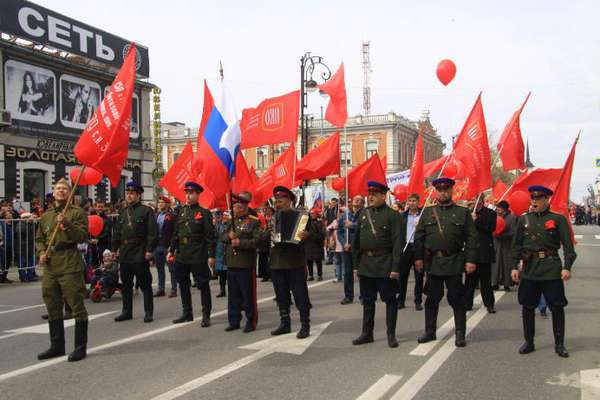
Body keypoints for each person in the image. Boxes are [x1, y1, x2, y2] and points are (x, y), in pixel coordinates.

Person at [511, 185, 576, 358]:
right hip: (530, 269)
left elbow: (569, 247)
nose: (534, 201)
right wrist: (513, 266)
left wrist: (567, 267)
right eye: (532, 197)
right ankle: (529, 342)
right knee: (527, 306)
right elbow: (516, 246)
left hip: (550, 269)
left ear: (547, 199)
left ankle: (559, 344)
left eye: (538, 198)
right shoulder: (524, 219)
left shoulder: (558, 219)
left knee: (557, 307)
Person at [414, 177, 478, 348]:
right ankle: (430, 331)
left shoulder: (462, 212)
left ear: (451, 191)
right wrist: (418, 258)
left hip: (454, 261)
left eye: (446, 189)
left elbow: (472, 238)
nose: (443, 192)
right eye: (440, 190)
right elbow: (419, 237)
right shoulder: (428, 212)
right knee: (432, 299)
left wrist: (471, 260)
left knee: (457, 298)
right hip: (434, 262)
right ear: (436, 191)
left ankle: (460, 334)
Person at [35, 178, 89, 362]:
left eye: (65, 189)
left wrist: (67, 223)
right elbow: (40, 238)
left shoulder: (77, 213)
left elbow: (82, 236)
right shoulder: (46, 215)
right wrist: (42, 252)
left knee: (76, 306)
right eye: (58, 188)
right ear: (53, 191)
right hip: (51, 265)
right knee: (52, 305)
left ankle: (80, 347)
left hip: (69, 264)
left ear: (70, 193)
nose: (61, 191)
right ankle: (57, 346)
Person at [351, 182, 405, 348]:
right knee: (367, 301)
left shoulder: (393, 216)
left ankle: (391, 334)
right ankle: (367, 333)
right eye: (370, 194)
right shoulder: (364, 214)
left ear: (384, 195)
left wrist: (396, 268)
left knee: (390, 300)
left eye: (375, 194)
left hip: (385, 264)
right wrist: (355, 265)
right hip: (366, 264)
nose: (371, 197)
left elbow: (398, 243)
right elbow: (357, 241)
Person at [168, 182, 216, 327]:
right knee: (183, 283)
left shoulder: (204, 213)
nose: (188, 195)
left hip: (197, 253)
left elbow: (209, 236)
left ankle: (206, 315)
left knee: (203, 284)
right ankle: (187, 313)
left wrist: (211, 254)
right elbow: (176, 234)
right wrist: (171, 250)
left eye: (192, 193)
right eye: (187, 193)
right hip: (182, 253)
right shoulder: (181, 212)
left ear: (198, 195)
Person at [269, 186, 312, 339]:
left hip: (294, 262)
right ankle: (285, 323)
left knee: (300, 294)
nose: (277, 204)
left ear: (289, 201)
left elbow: (318, 234)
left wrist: (307, 235)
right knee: (281, 295)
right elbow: (267, 236)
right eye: (276, 201)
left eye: (280, 201)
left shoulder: (302, 216)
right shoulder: (274, 217)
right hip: (277, 262)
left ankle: (305, 325)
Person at [112, 182, 157, 323]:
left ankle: (148, 311)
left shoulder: (146, 211)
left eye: (132, 193)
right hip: (125, 252)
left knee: (144, 284)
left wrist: (149, 250)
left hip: (139, 251)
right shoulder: (123, 212)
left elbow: (152, 233)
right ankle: (127, 311)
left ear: (139, 195)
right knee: (126, 284)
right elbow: (117, 233)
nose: (129, 195)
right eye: (128, 192)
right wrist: (114, 249)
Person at [221, 194, 262, 332]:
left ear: (244, 207)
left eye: (237, 206)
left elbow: (257, 241)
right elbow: (222, 237)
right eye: (233, 206)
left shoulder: (253, 222)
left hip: (245, 263)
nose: (234, 208)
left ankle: (251, 320)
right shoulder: (229, 222)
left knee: (248, 294)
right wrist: (228, 236)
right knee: (233, 295)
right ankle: (234, 320)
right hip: (232, 263)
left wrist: (241, 243)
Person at [464, 196, 497, 313]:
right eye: (472, 199)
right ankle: (467, 303)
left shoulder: (490, 213)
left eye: (475, 199)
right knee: (469, 281)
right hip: (471, 252)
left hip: (484, 252)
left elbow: (491, 227)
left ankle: (489, 304)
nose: (473, 202)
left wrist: (476, 221)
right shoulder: (467, 212)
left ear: (481, 200)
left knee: (485, 282)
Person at [397, 193, 425, 311]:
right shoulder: (402, 216)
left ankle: (418, 301)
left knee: (419, 276)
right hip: (406, 247)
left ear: (418, 202)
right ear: (407, 202)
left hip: (418, 247)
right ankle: (401, 300)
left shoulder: (423, 215)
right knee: (403, 276)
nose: (412, 203)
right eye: (410, 201)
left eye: (414, 201)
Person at [338, 195, 365, 305]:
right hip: (347, 248)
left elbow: (364, 226)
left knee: (362, 273)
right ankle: (348, 296)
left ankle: (364, 296)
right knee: (347, 273)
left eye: (359, 200)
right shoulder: (345, 215)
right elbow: (339, 231)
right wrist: (344, 243)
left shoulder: (365, 214)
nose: (356, 201)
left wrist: (352, 225)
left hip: (359, 248)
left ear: (362, 203)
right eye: (355, 199)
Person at [154, 196, 177, 298]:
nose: (160, 204)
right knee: (159, 269)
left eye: (162, 202)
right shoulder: (156, 215)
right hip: (157, 246)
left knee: (172, 269)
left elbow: (175, 233)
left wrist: (172, 247)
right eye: (159, 202)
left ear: (168, 204)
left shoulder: (172, 216)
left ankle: (174, 289)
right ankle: (161, 289)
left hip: (168, 247)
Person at [492, 200, 517, 291]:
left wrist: (503, 235)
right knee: (496, 264)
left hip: (507, 245)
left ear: (505, 209)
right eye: (498, 207)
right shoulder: (494, 216)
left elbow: (513, 232)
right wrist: (494, 234)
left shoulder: (511, 218)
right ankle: (495, 283)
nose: (498, 209)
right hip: (496, 244)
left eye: (500, 207)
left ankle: (507, 283)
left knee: (506, 265)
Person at [306, 208, 326, 281]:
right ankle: (310, 275)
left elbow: (322, 234)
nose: (311, 215)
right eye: (310, 213)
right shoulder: (306, 223)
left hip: (317, 244)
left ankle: (320, 275)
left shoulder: (320, 223)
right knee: (309, 260)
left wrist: (317, 238)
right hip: (308, 244)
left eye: (313, 213)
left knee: (318, 260)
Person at [214, 210, 228, 297]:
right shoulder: (215, 225)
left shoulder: (226, 224)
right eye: (216, 216)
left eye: (219, 215)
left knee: (228, 272)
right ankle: (222, 290)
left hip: (226, 249)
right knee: (221, 273)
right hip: (218, 250)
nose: (217, 217)